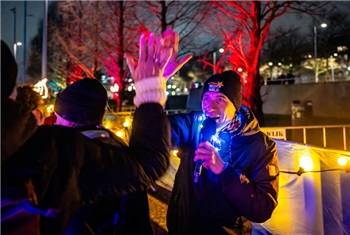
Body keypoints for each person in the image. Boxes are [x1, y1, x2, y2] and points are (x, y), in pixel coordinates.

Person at [1, 31, 177, 234]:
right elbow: (147, 164)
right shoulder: (53, 150)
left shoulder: (59, 148)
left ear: (68, 117)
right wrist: (150, 89)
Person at [165, 70, 279, 235]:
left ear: (235, 106)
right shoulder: (193, 125)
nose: (210, 107)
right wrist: (153, 97)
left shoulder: (260, 145)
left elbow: (263, 208)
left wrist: (225, 171)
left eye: (220, 99)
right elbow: (160, 132)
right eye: (206, 99)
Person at [52, 77, 153, 234]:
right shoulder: (122, 152)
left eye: (58, 115)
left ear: (71, 119)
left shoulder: (70, 156)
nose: (55, 122)